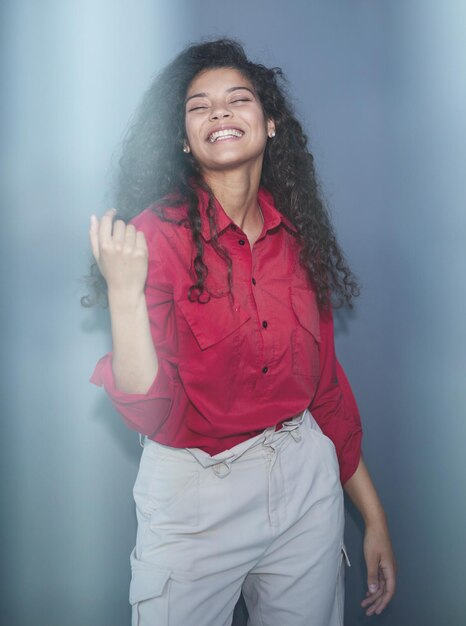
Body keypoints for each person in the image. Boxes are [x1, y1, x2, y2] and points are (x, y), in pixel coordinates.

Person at [85, 39, 396, 626]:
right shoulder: (154, 236)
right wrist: (124, 293)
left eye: (238, 99)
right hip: (196, 497)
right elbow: (149, 412)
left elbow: (325, 388)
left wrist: (374, 518)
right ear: (183, 139)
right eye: (199, 106)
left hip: (305, 480)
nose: (220, 112)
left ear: (270, 122)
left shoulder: (300, 236)